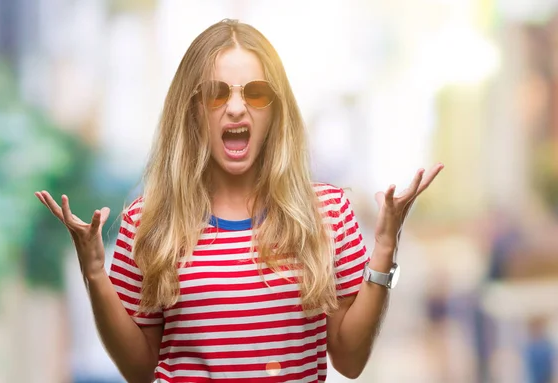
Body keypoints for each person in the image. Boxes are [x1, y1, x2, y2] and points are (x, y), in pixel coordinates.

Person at [35, 19, 443, 383]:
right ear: (192, 107)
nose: (235, 108)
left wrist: (385, 249)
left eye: (256, 93)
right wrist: (94, 273)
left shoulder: (328, 213)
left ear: (276, 109)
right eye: (215, 93)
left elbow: (351, 361)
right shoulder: (149, 220)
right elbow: (139, 370)